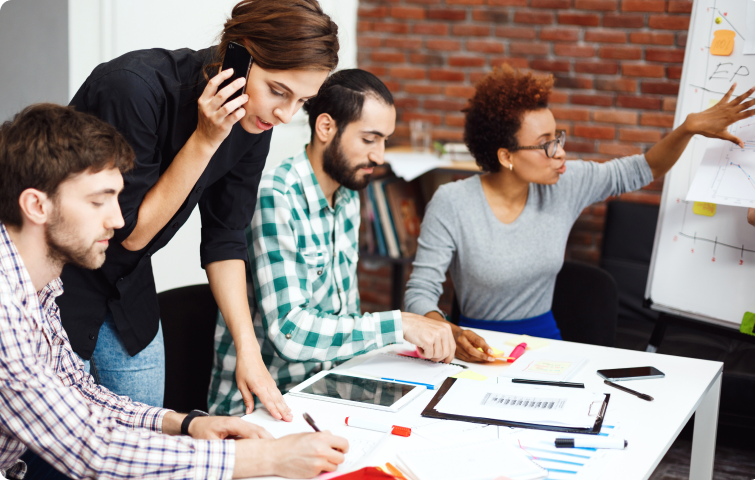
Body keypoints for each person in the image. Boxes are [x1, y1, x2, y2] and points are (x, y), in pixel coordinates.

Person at [0, 104, 349, 480]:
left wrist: (186, 425)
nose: (118, 220)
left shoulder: (40, 286)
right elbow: (92, 449)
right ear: (37, 205)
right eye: (98, 201)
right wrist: (268, 459)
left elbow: (78, 392)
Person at [56, 0, 339, 416]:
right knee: (66, 449)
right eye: (278, 91)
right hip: (59, 287)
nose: (283, 114)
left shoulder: (253, 119)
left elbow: (226, 237)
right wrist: (206, 141)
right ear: (237, 53)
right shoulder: (132, 88)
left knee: (146, 438)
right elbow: (130, 232)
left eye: (302, 101)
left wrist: (249, 349)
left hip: (127, 289)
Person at [404, 65, 755, 363]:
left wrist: (687, 129)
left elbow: (642, 168)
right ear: (505, 156)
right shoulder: (452, 202)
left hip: (546, 350)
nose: (560, 153)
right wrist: (447, 331)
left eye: (558, 137)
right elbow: (420, 291)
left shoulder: (566, 182)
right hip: (475, 351)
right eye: (547, 144)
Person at [208, 69, 456, 416]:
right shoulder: (277, 196)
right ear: (326, 127)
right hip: (266, 402)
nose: (379, 156)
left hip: (328, 385)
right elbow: (290, 332)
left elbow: (344, 314)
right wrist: (400, 324)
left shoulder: (347, 195)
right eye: (369, 140)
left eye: (384, 140)